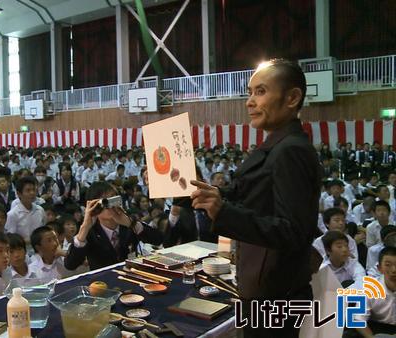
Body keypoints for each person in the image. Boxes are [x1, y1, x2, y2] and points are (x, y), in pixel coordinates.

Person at [188, 59, 322, 337]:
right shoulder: (276, 145)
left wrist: (223, 211)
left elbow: (293, 231)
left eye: (260, 92)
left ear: (292, 98)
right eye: (249, 92)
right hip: (262, 284)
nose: (249, 102)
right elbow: (245, 193)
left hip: (276, 292)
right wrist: (192, 194)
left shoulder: (290, 150)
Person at [65, 182, 163, 271]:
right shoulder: (89, 231)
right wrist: (85, 228)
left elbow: (158, 239)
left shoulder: (128, 221)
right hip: (102, 284)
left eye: (112, 199)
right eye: (103, 202)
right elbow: (70, 265)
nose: (109, 206)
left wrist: (131, 224)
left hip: (132, 276)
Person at [353, 246, 396, 337]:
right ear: (379, 268)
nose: (394, 270)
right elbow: (359, 320)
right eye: (388, 265)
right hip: (377, 328)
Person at [4, 177, 46, 242]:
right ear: (19, 194)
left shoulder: (40, 210)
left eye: (34, 190)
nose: (32, 193)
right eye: (28, 190)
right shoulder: (12, 214)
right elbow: (11, 239)